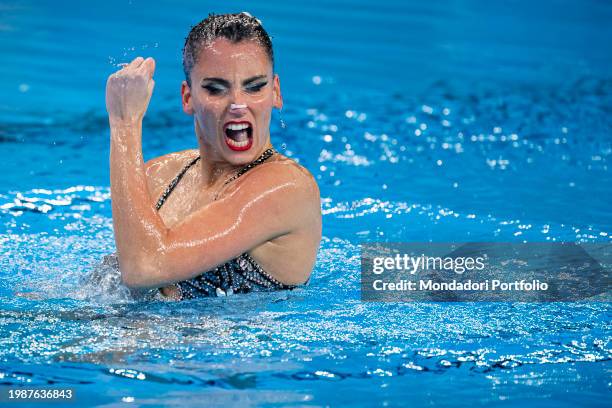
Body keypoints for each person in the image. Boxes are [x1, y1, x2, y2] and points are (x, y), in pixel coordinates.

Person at [104, 13, 321, 300]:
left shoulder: (287, 187)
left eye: (255, 86)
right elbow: (110, 281)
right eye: (216, 89)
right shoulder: (160, 175)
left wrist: (125, 123)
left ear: (276, 92)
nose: (238, 105)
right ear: (188, 98)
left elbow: (144, 267)